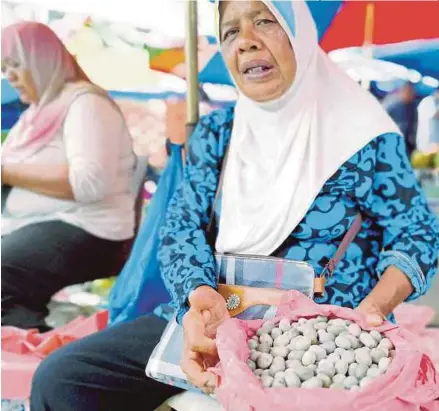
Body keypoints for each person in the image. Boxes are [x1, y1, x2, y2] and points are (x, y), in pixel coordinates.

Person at [30, 1, 439, 410]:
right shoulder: (217, 133)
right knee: (65, 379)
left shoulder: (365, 137)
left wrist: (374, 308)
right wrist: (198, 296)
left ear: (300, 35)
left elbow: (418, 234)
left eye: (265, 21)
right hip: (220, 313)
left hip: (321, 333)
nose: (245, 42)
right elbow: (182, 227)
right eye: (229, 32)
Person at [1, 22, 136, 332]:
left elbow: (90, 183)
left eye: (17, 63)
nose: (9, 75)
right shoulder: (34, 114)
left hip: (89, 230)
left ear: (43, 57)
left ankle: (38, 363)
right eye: (5, 67)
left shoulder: (85, 103)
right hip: (37, 227)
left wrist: (6, 173)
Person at [382, 82, 419, 158]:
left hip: (408, 144)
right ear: (402, 91)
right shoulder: (392, 105)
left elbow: (414, 125)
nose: (411, 95)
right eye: (408, 92)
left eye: (412, 92)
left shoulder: (413, 107)